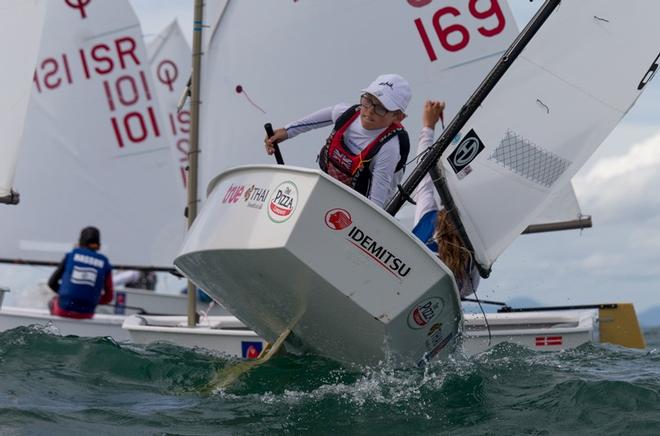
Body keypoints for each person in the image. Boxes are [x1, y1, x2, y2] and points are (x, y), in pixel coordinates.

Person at [264, 74, 412, 208]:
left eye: (381, 108)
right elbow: (304, 125)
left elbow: (376, 204)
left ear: (398, 117)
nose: (370, 110)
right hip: (332, 190)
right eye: (368, 101)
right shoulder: (345, 113)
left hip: (365, 204)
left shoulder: (389, 150)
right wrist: (285, 131)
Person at [411, 100, 479, 297]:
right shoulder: (475, 242)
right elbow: (469, 289)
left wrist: (428, 127)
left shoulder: (428, 218)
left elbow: (423, 174)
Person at [47, 226, 114, 319]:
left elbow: (51, 283)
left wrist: (65, 294)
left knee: (51, 302)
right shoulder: (105, 263)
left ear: (80, 241)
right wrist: (92, 299)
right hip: (86, 314)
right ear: (98, 244)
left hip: (63, 310)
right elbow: (109, 297)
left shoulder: (71, 255)